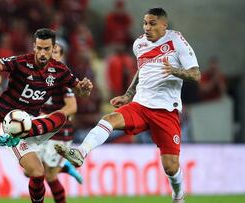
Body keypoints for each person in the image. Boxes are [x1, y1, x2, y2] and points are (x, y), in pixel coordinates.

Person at [54, 8, 201, 203]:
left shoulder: (176, 41)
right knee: (109, 119)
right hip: (140, 104)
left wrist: (175, 70)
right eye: (145, 23)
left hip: (166, 110)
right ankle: (80, 153)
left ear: (164, 25)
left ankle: (178, 195)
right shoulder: (139, 44)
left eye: (152, 23)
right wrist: (128, 94)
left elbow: (196, 75)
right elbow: (142, 70)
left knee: (171, 167)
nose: (147, 27)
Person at [0, 28, 92, 203]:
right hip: (11, 123)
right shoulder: (21, 62)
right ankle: (14, 137)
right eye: (39, 48)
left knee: (62, 117)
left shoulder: (59, 70)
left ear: (53, 47)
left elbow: (80, 91)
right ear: (34, 47)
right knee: (37, 172)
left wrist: (84, 89)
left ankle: (46, 152)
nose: (42, 52)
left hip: (32, 124)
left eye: (46, 48)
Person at [35, 42, 83, 203]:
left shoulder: (62, 77)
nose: (51, 55)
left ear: (61, 57)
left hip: (59, 133)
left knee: (49, 175)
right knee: (31, 171)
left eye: (56, 52)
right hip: (42, 131)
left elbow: (72, 107)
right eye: (49, 51)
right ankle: (66, 167)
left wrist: (49, 118)